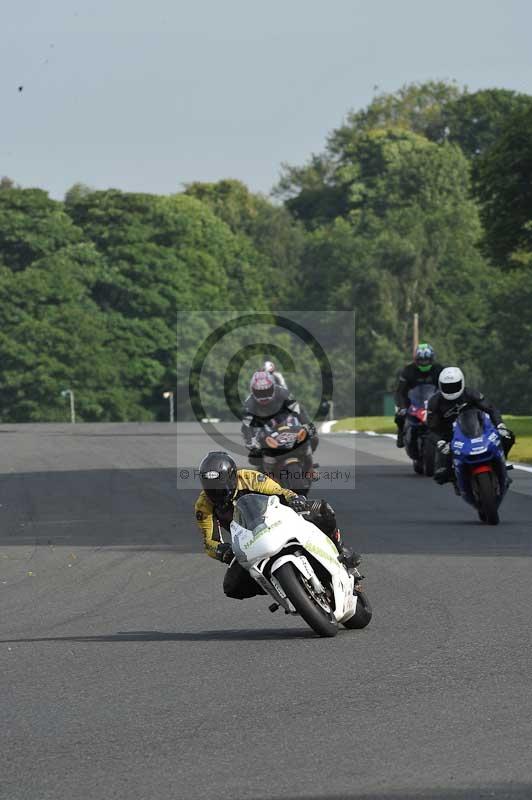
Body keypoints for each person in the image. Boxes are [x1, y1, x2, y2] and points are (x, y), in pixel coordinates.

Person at [195, 451, 360, 599]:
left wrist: (294, 499)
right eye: (211, 490)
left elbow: (280, 491)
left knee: (321, 509)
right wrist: (222, 551)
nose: (216, 494)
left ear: (232, 477)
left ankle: (340, 549)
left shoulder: (250, 478)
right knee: (232, 588)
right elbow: (209, 542)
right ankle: (280, 586)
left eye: (221, 488)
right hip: (249, 543)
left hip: (276, 521)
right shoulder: (203, 505)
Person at [427, 366, 515, 485]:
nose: (451, 390)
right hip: (450, 435)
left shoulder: (471, 393)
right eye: (447, 387)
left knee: (508, 436)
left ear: (462, 382)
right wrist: (440, 442)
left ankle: (501, 464)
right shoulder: (434, 402)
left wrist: (500, 425)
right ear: (440, 385)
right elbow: (431, 428)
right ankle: (453, 475)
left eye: (454, 386)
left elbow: (491, 409)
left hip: (478, 428)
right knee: (441, 474)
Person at [242, 371, 318, 461]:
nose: (264, 397)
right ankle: (264, 471)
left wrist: (307, 424)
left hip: (286, 424)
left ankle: (309, 466)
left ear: (273, 387)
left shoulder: (283, 393)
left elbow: (298, 410)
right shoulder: (249, 404)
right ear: (252, 391)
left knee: (314, 437)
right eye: (260, 393)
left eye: (267, 391)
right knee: (254, 459)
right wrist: (251, 441)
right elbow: (246, 426)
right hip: (264, 430)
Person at [395, 343, 444, 448]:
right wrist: (402, 406)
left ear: (431, 359)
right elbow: (400, 391)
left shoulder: (439, 370)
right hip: (412, 403)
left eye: (426, 360)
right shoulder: (408, 371)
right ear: (416, 360)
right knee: (400, 415)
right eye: (421, 360)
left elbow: (445, 388)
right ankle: (400, 432)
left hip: (433, 402)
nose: (424, 363)